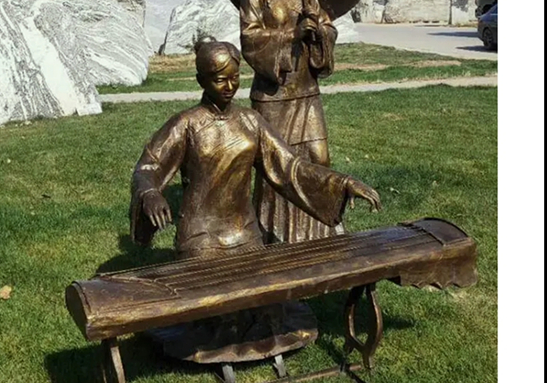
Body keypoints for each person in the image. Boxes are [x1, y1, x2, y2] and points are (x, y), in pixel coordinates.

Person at [130, 40, 380, 364]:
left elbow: (290, 167)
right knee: (218, 309)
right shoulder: (186, 124)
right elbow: (148, 167)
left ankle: (255, 340)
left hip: (244, 232)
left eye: (235, 78)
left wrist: (342, 184)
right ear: (201, 80)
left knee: (266, 305)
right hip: (201, 236)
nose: (229, 86)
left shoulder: (250, 122)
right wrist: (150, 193)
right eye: (220, 79)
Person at [240, 0, 339, 244]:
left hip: (307, 93)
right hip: (273, 96)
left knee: (319, 158)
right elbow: (251, 41)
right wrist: (291, 35)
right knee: (274, 169)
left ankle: (321, 227)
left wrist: (319, 32)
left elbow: (329, 29)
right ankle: (273, 234)